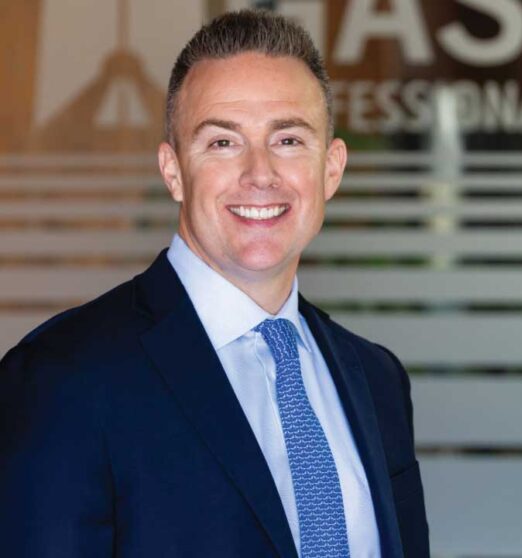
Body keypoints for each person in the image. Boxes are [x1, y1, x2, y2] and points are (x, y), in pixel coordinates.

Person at [0, 9, 429, 558]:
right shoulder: (63, 377)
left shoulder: (376, 379)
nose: (260, 173)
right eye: (223, 143)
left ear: (331, 168)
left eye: (288, 140)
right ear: (173, 171)